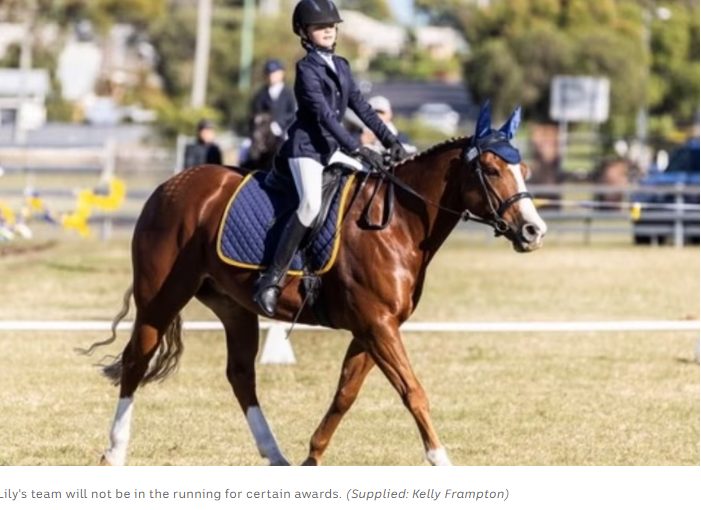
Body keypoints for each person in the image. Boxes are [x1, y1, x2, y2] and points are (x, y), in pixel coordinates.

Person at [252, 0, 408, 317]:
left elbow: (361, 108)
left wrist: (392, 139)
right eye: (320, 26)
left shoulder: (343, 66)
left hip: (331, 149)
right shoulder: (306, 69)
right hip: (306, 150)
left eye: (332, 26)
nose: (328, 30)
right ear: (305, 33)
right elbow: (324, 116)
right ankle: (271, 280)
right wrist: (356, 147)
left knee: (368, 184)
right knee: (310, 203)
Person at [249, 59, 297, 141]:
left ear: (282, 73)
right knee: (246, 148)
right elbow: (256, 113)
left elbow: (293, 113)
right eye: (269, 73)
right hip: (263, 132)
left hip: (285, 130)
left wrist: (279, 124)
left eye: (274, 72)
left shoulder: (289, 93)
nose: (271, 76)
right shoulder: (260, 94)